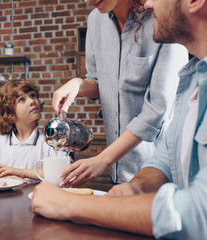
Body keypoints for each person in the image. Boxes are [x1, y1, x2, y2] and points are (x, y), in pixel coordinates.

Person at [32, 0, 207, 238]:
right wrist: (79, 84)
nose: (149, 3)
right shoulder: (194, 78)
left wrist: (68, 203)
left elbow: (158, 109)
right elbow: (166, 158)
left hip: (156, 177)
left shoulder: (165, 30)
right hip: (132, 178)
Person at [54, 0, 188, 187]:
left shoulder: (162, 19)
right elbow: (98, 81)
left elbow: (158, 110)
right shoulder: (95, 20)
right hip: (117, 171)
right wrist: (77, 84)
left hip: (160, 172)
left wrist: (103, 159)